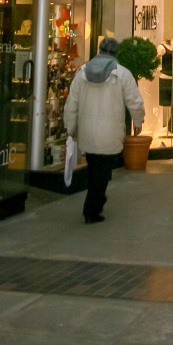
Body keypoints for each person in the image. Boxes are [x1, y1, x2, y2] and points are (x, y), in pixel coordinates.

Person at [64, 36, 145, 224]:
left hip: (87, 131)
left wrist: (70, 126)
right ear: (116, 53)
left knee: (95, 169)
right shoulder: (123, 74)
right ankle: (92, 209)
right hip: (110, 132)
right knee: (103, 172)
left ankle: (96, 201)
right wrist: (138, 121)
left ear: (99, 50)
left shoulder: (82, 72)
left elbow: (72, 103)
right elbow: (135, 101)